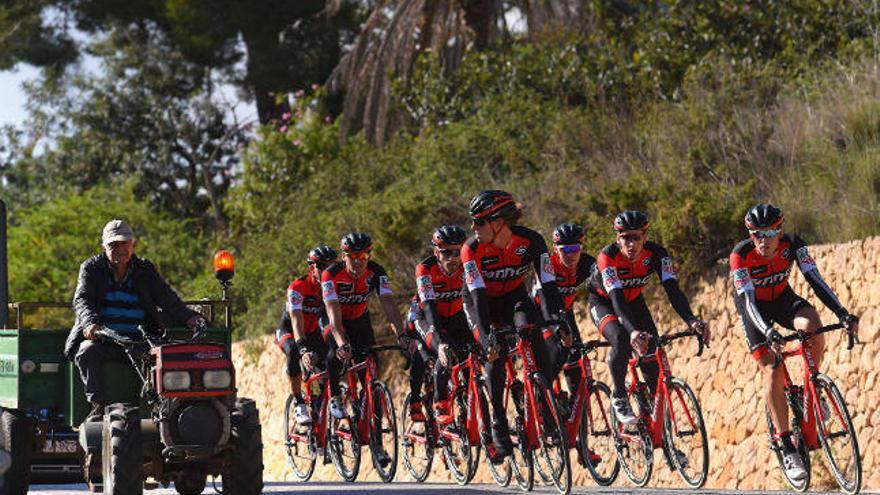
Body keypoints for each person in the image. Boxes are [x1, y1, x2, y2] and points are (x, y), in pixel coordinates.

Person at [729, 203, 859, 482]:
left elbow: (815, 280)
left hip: (783, 300)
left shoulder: (794, 245)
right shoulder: (740, 256)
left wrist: (843, 313)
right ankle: (786, 443)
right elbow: (748, 302)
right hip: (754, 312)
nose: (763, 241)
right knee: (772, 370)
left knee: (813, 325)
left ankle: (812, 389)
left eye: (770, 233)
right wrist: (768, 331)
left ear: (781, 230)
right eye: (756, 234)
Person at [461, 190, 567, 459]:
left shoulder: (531, 241)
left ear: (499, 222)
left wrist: (558, 318)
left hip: (513, 298)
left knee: (534, 334)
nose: (473, 228)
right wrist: (487, 339)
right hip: (480, 303)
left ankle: (543, 402)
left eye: (479, 222)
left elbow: (549, 283)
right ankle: (497, 418)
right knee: (495, 353)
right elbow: (478, 297)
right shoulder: (471, 249)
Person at [65, 220, 205, 421]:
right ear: (103, 247)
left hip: (140, 341)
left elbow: (167, 298)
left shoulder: (145, 269)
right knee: (86, 351)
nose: (119, 249)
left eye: (124, 244)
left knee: (163, 358)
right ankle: (97, 404)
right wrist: (89, 324)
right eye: (113, 245)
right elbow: (82, 299)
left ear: (133, 245)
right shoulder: (90, 268)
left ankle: (166, 412)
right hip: (105, 340)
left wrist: (190, 317)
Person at [586, 210, 710, 426]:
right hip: (605, 302)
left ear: (645, 237)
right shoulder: (607, 257)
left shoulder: (657, 255)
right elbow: (616, 300)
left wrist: (691, 320)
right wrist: (632, 331)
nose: (631, 244)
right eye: (625, 238)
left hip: (634, 300)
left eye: (636, 237)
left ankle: (660, 430)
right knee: (621, 339)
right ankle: (619, 396)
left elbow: (673, 290)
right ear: (617, 238)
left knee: (652, 353)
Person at [321, 232, 415, 467]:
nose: (359, 261)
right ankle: (335, 398)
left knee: (372, 381)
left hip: (360, 320)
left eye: (363, 255)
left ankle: (377, 445)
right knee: (334, 355)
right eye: (353, 256)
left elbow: (390, 306)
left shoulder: (377, 272)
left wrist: (402, 335)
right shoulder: (330, 274)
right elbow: (333, 313)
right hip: (336, 322)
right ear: (344, 256)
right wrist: (342, 342)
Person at [407, 225, 476, 425]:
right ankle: (438, 402)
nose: (453, 258)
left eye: (458, 251)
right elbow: (428, 307)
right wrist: (440, 343)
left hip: (455, 316)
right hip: (426, 318)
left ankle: (466, 404)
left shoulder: (467, 266)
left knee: (469, 356)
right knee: (443, 350)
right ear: (436, 252)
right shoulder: (425, 269)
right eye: (447, 253)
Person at [276, 245, 338, 425]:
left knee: (329, 359)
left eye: (331, 266)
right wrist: (303, 350)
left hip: (312, 333)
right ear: (311, 267)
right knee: (294, 351)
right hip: (289, 330)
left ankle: (320, 406)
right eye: (321, 266)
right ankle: (298, 402)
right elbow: (296, 321)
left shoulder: (331, 287)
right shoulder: (298, 287)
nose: (326, 271)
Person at [534, 223, 597, 397]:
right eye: (565, 250)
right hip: (542, 314)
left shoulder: (587, 263)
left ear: (581, 248)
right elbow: (546, 300)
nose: (570, 254)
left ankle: (575, 412)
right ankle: (542, 396)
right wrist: (556, 329)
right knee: (558, 352)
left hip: (565, 312)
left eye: (575, 249)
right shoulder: (547, 265)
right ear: (555, 250)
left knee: (575, 357)